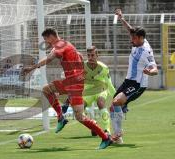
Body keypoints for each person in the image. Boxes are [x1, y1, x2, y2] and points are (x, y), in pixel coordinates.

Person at [22, 28, 113, 149]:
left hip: (73, 83)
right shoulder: (67, 44)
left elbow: (49, 59)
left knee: (77, 114)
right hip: (73, 82)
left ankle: (62, 117)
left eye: (46, 39)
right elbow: (79, 56)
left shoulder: (60, 45)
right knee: (78, 115)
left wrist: (31, 68)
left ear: (51, 37)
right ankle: (105, 138)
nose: (46, 42)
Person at [110, 9, 158, 144]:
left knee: (116, 102)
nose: (132, 39)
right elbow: (130, 29)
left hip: (138, 84)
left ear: (141, 38)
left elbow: (155, 68)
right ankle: (118, 139)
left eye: (134, 38)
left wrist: (150, 72)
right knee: (113, 107)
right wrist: (121, 18)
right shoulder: (137, 40)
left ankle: (118, 132)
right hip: (128, 81)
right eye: (132, 37)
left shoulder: (146, 51)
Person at [62, 46, 116, 135]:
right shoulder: (83, 67)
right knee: (78, 111)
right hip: (88, 92)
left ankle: (107, 130)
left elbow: (109, 84)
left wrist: (115, 98)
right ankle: (93, 124)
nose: (90, 57)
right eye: (88, 55)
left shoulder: (103, 68)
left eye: (92, 55)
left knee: (100, 103)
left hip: (101, 89)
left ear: (97, 55)